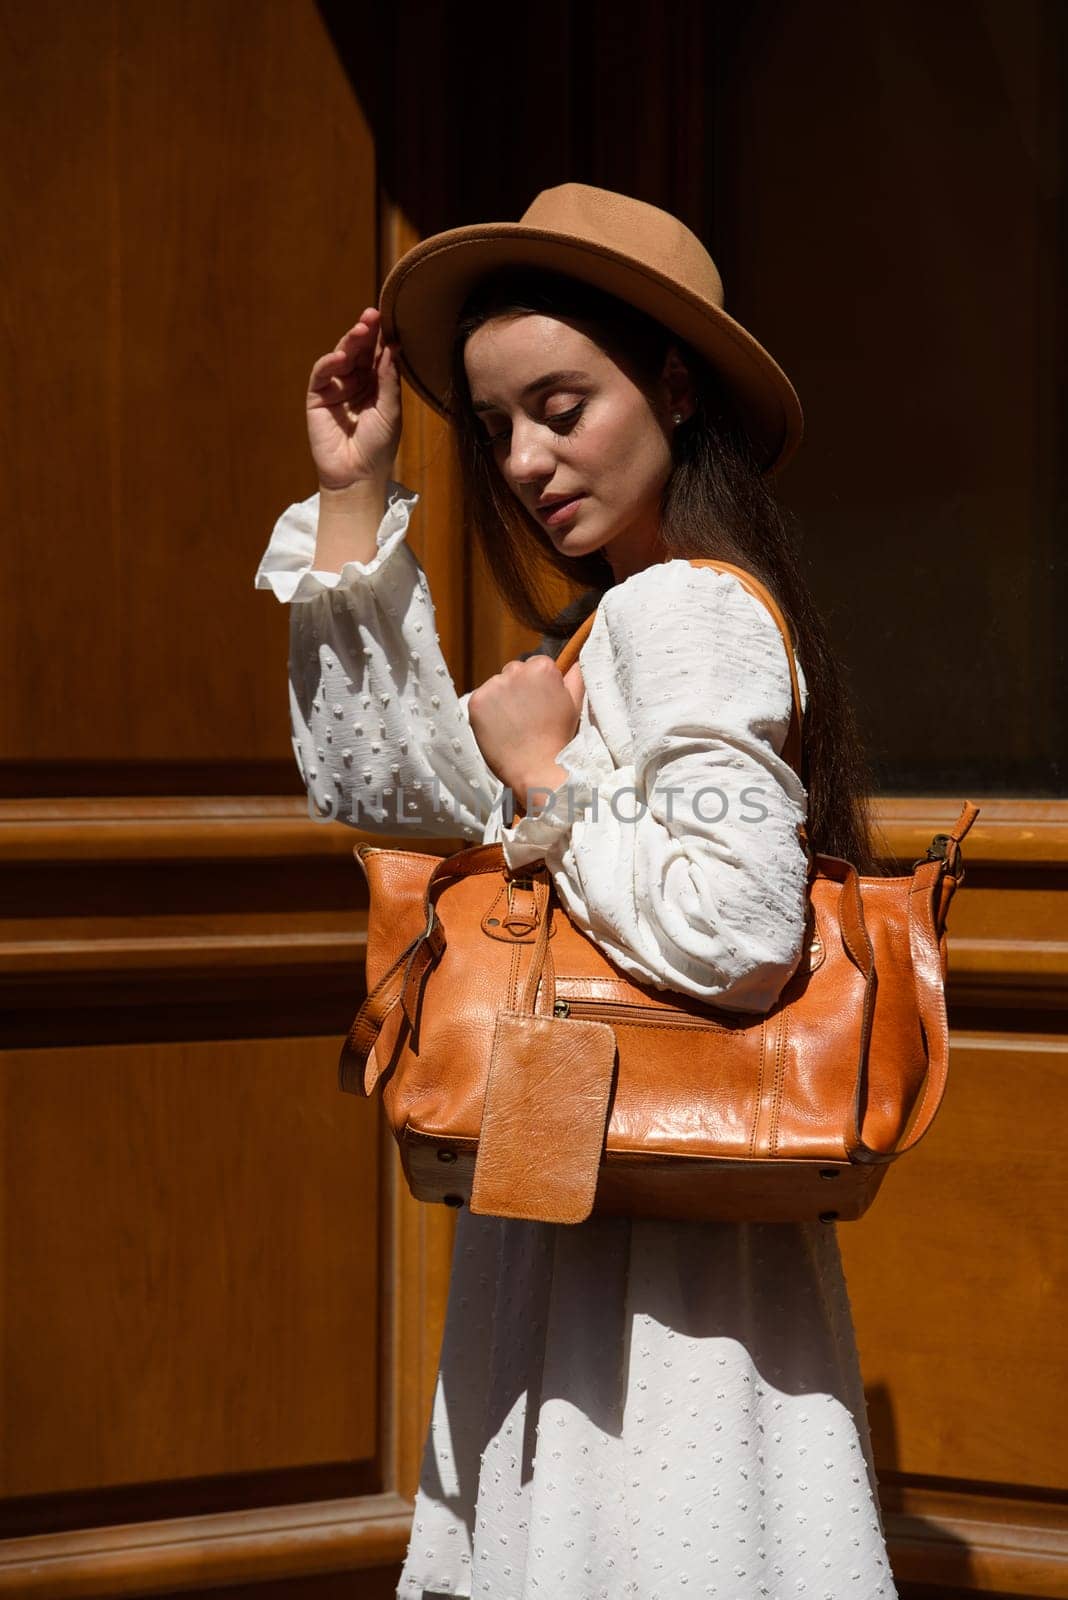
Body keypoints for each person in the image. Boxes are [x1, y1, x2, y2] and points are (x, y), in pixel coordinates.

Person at [255, 184, 896, 1599]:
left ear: (673, 383)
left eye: (562, 406)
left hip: (656, 1269)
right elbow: (390, 798)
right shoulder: (628, 614)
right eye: (493, 429)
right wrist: (360, 493)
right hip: (599, 1208)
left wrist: (550, 783)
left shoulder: (689, 609)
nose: (527, 461)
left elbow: (736, 929)